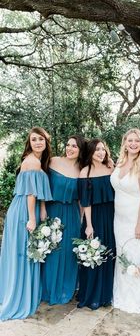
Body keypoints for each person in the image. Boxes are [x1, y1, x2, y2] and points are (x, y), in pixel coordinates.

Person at [0, 127, 52, 321]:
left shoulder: (39, 161)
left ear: (46, 142)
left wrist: (43, 208)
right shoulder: (32, 161)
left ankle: (17, 291)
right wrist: (32, 217)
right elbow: (31, 193)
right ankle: (18, 297)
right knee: (24, 253)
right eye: (33, 140)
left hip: (26, 209)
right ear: (29, 143)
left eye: (41, 139)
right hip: (24, 211)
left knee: (23, 253)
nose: (37, 142)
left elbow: (38, 191)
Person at [111, 128, 140, 314]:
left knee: (138, 255)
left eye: (137, 141)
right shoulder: (120, 163)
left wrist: (139, 223)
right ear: (124, 143)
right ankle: (123, 295)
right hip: (120, 220)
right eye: (130, 140)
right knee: (123, 255)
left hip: (139, 218)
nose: (133, 144)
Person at [41, 135, 86, 305]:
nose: (70, 148)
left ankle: (65, 289)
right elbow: (41, 185)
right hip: (52, 211)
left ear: (80, 149)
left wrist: (81, 219)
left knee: (68, 253)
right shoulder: (53, 161)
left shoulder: (83, 170)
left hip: (72, 214)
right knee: (51, 251)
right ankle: (47, 290)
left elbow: (82, 200)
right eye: (68, 145)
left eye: (74, 146)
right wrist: (43, 208)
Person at [76, 139, 115, 310]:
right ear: (90, 152)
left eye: (103, 149)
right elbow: (86, 202)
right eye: (97, 150)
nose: (101, 152)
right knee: (94, 255)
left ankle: (107, 294)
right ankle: (92, 295)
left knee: (109, 253)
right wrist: (89, 225)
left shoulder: (111, 169)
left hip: (113, 215)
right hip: (95, 218)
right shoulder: (85, 172)